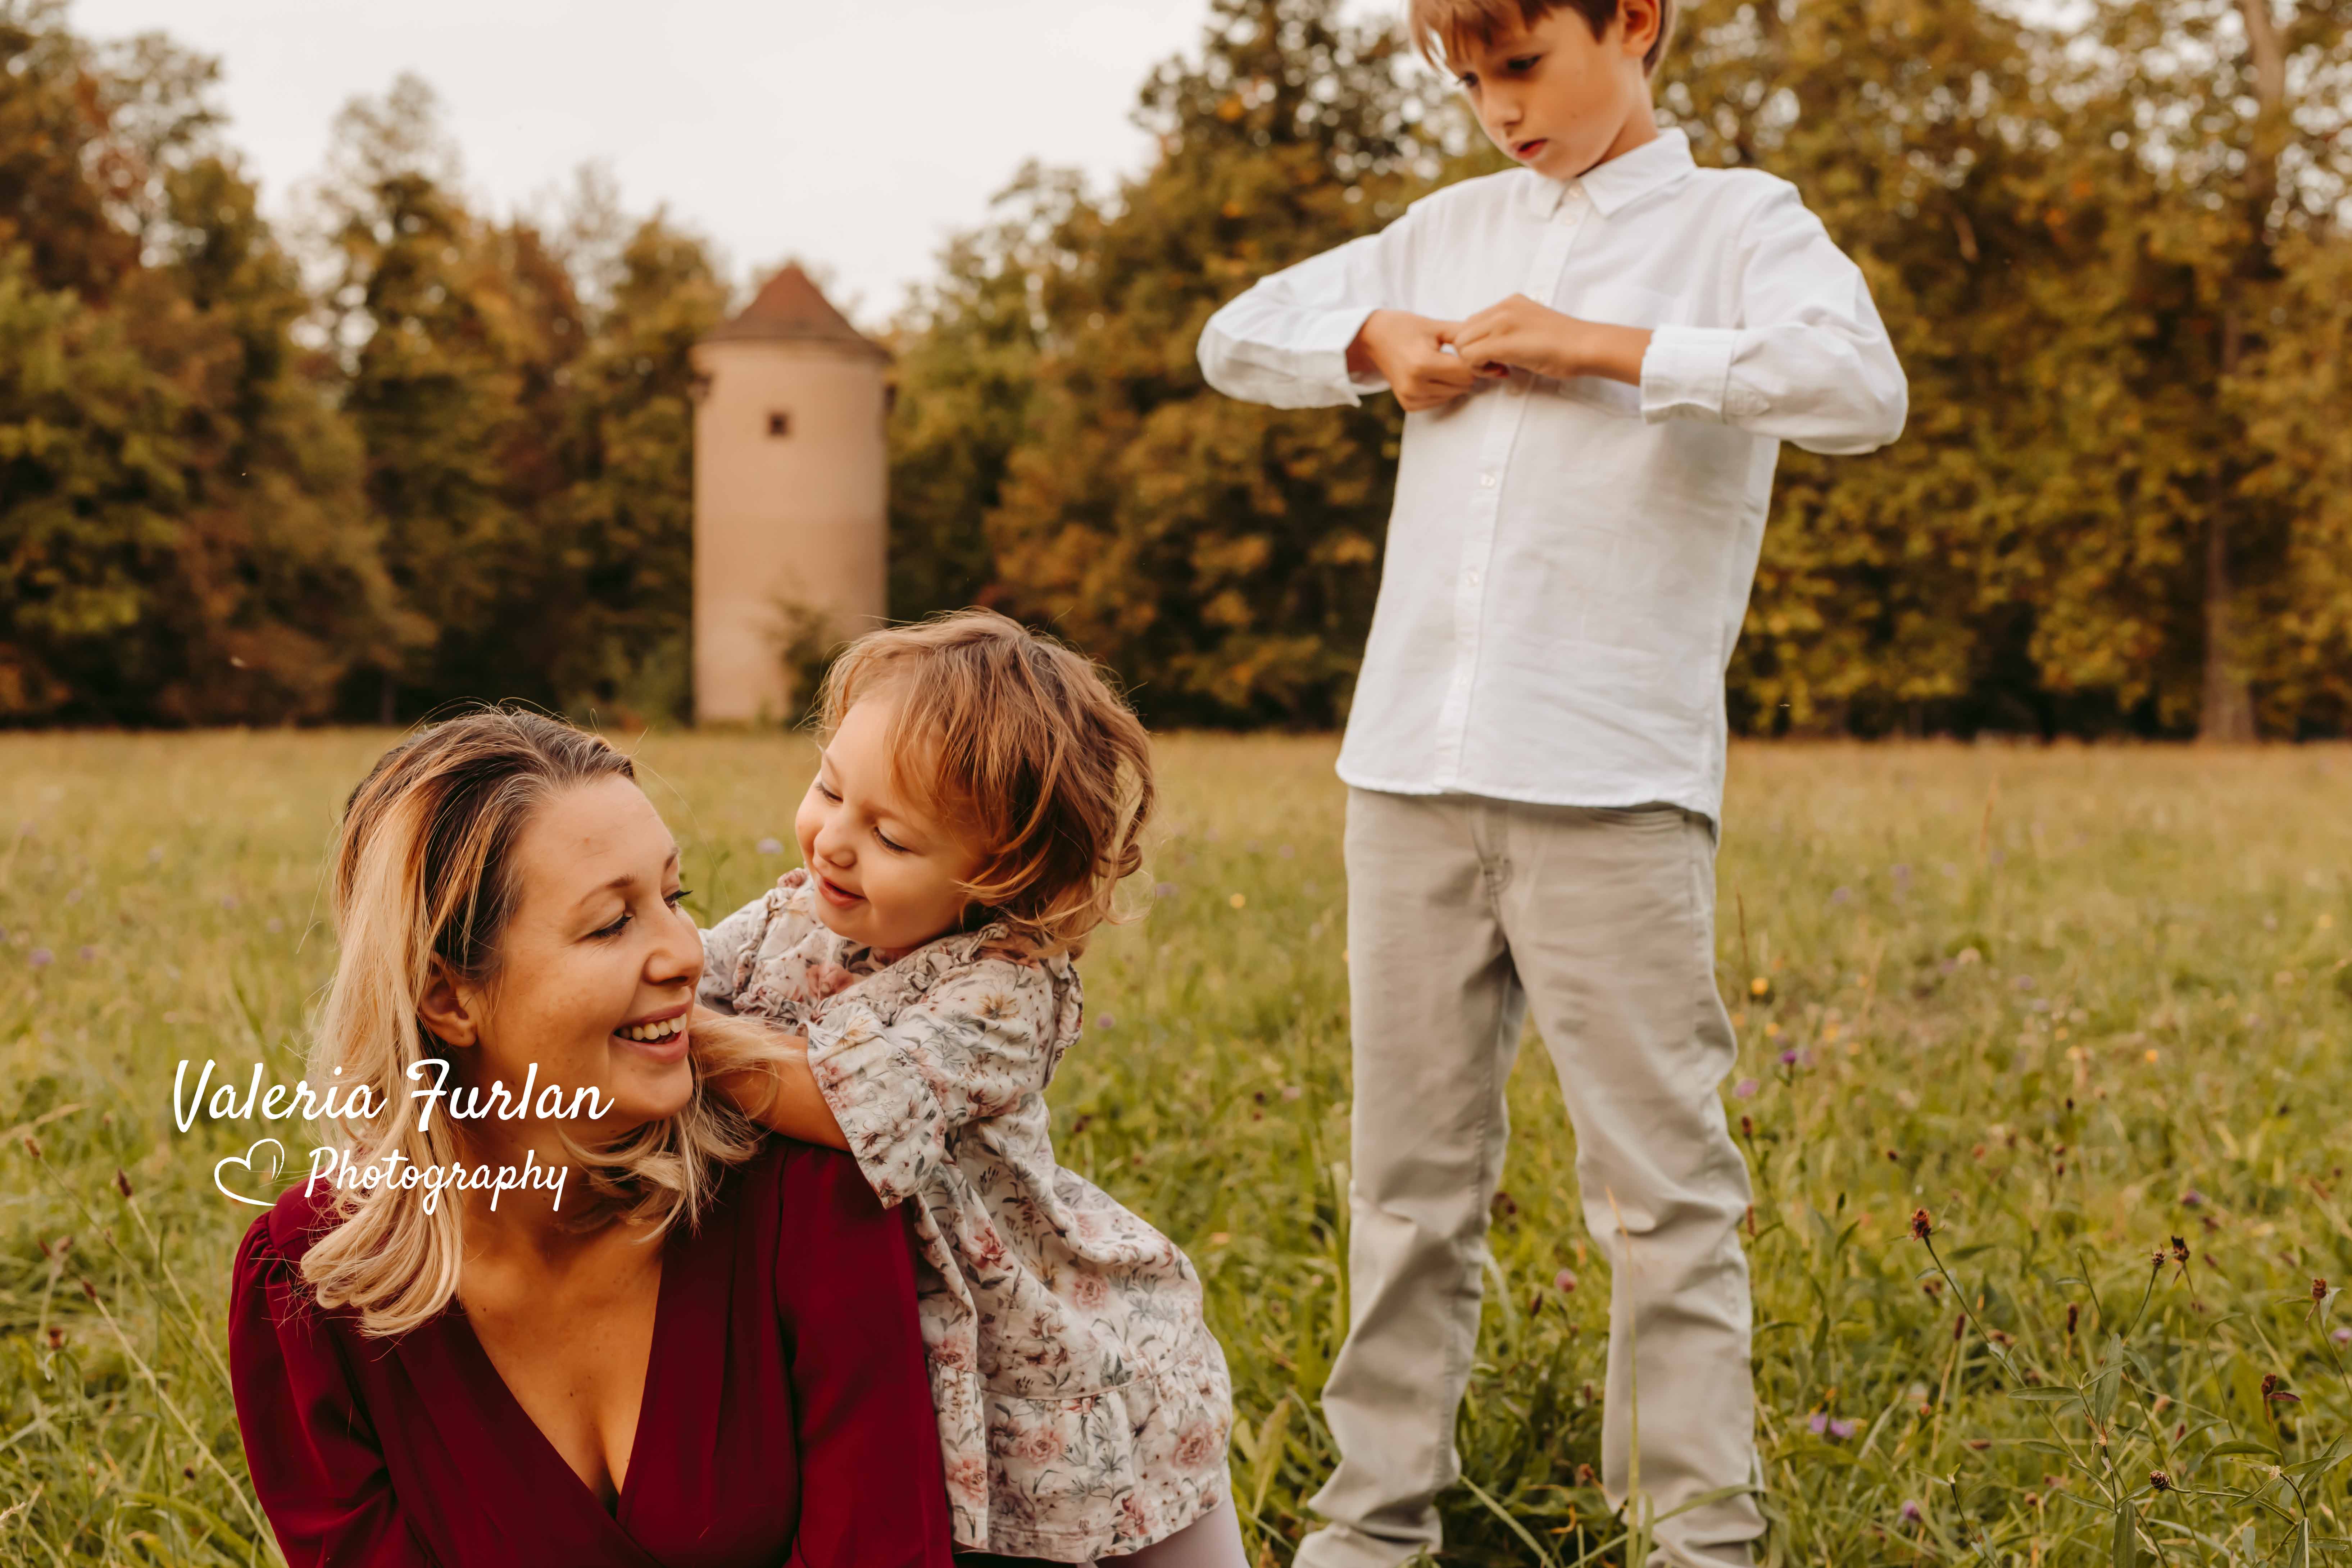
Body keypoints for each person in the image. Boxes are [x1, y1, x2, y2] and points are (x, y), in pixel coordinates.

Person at [1195, 0, 1908, 1562]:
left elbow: (1858, 389)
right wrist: (1369, 343)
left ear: (1633, 22)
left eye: (1519, 66)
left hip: (1610, 780)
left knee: (1661, 1193)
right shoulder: (1440, 230)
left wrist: (1599, 350)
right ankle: (1373, 1519)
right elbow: (1231, 333)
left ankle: (1692, 1534)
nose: (1493, 110)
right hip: (1403, 774)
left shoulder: (1739, 226)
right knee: (1403, 1181)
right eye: (1464, 81)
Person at [228, 709, 955, 1568]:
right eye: (612, 922)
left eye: (674, 897)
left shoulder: (809, 1199)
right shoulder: (310, 1288)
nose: (686, 952)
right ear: (448, 997)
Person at [694, 610, 1245, 1568]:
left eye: (893, 838)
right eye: (829, 787)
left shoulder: (1002, 987)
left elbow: (845, 1103)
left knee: (1136, 1532)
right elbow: (681, 977)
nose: (833, 840)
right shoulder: (786, 922)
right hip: (886, 1356)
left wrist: (671, 1040)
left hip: (1043, 1356)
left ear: (1000, 873)